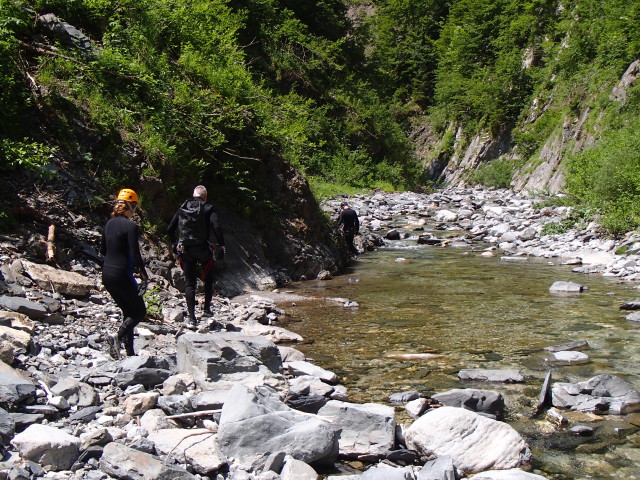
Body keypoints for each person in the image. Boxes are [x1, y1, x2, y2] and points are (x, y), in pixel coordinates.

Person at [167, 185, 225, 326]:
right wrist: (221, 244)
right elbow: (216, 227)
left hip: (186, 250)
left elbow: (170, 229)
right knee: (209, 277)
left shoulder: (184, 207)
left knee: (190, 283)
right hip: (203, 249)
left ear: (193, 195)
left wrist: (174, 245)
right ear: (205, 196)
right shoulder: (207, 207)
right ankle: (206, 309)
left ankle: (192, 318)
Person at [101, 188, 148, 359]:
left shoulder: (108, 223)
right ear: (132, 206)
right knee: (139, 311)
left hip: (107, 273)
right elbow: (135, 254)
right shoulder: (131, 226)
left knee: (128, 311)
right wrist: (143, 274)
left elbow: (103, 249)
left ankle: (129, 351)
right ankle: (117, 337)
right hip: (122, 273)